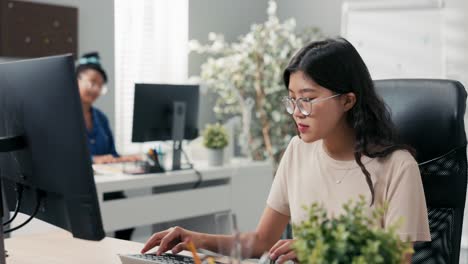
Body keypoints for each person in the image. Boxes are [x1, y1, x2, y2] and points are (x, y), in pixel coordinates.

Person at [140, 38, 431, 263]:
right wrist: (193, 239)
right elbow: (262, 241)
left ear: (347, 101)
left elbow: (399, 258)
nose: (296, 112)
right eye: (291, 100)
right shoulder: (297, 151)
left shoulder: (398, 166)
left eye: (307, 99)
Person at [76, 52, 138, 240]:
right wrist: (94, 159)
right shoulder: (65, 117)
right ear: (76, 80)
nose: (95, 89)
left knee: (128, 217)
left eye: (100, 86)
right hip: (83, 188)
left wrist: (125, 159)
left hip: (107, 184)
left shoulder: (101, 118)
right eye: (91, 82)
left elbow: (111, 153)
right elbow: (62, 155)